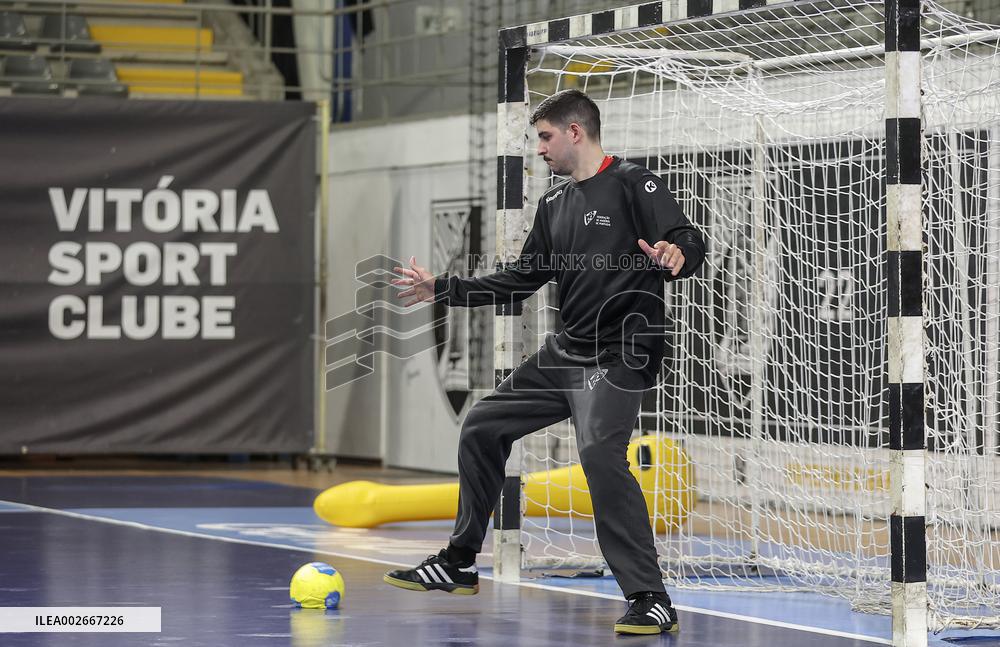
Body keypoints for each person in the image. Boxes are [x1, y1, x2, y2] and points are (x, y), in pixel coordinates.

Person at [385, 88, 705, 635]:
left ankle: (650, 597)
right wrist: (444, 287)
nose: (540, 149)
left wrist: (678, 254)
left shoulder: (635, 183)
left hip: (624, 350)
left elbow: (686, 239)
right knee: (483, 425)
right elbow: (520, 282)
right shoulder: (554, 205)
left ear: (575, 132)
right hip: (568, 352)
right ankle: (459, 563)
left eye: (545, 137)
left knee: (600, 454)